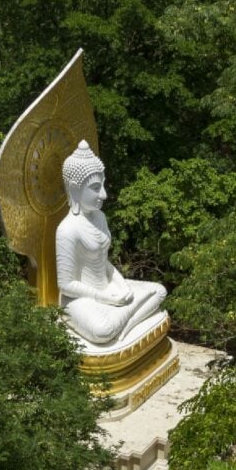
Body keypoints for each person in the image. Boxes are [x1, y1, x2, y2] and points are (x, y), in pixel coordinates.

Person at [56, 141, 166, 344]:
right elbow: (66, 284)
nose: (104, 194)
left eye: (103, 185)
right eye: (96, 188)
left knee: (159, 290)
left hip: (108, 287)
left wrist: (122, 286)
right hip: (79, 299)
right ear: (74, 189)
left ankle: (127, 322)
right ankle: (128, 320)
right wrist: (107, 299)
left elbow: (102, 261)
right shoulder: (67, 230)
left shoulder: (100, 217)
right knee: (103, 331)